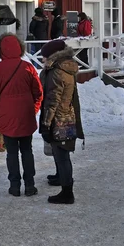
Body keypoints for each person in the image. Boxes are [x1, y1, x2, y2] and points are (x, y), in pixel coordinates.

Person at [0, 33, 43, 197]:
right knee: (27, 150)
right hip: (25, 115)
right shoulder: (28, 67)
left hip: (6, 116)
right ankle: (30, 185)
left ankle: (15, 186)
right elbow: (38, 92)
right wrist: (33, 110)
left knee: (11, 152)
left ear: (0, 50)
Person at [38, 39, 85, 204]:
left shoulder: (57, 72)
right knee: (61, 153)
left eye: (44, 56)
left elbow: (53, 100)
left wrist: (46, 123)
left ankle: (67, 192)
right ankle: (61, 179)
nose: (43, 59)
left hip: (58, 118)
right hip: (66, 116)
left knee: (62, 155)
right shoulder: (65, 68)